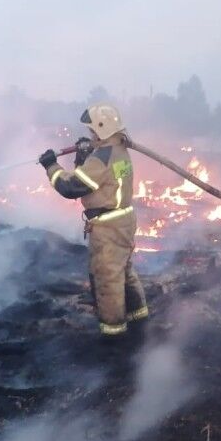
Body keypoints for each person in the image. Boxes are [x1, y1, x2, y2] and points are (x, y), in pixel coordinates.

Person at [39, 104, 148, 339]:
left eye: (92, 131)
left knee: (107, 279)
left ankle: (114, 334)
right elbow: (95, 179)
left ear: (101, 128)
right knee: (124, 271)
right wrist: (83, 156)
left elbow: (71, 187)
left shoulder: (102, 158)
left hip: (109, 227)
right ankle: (139, 320)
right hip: (123, 221)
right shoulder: (118, 149)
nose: (90, 135)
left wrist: (51, 167)